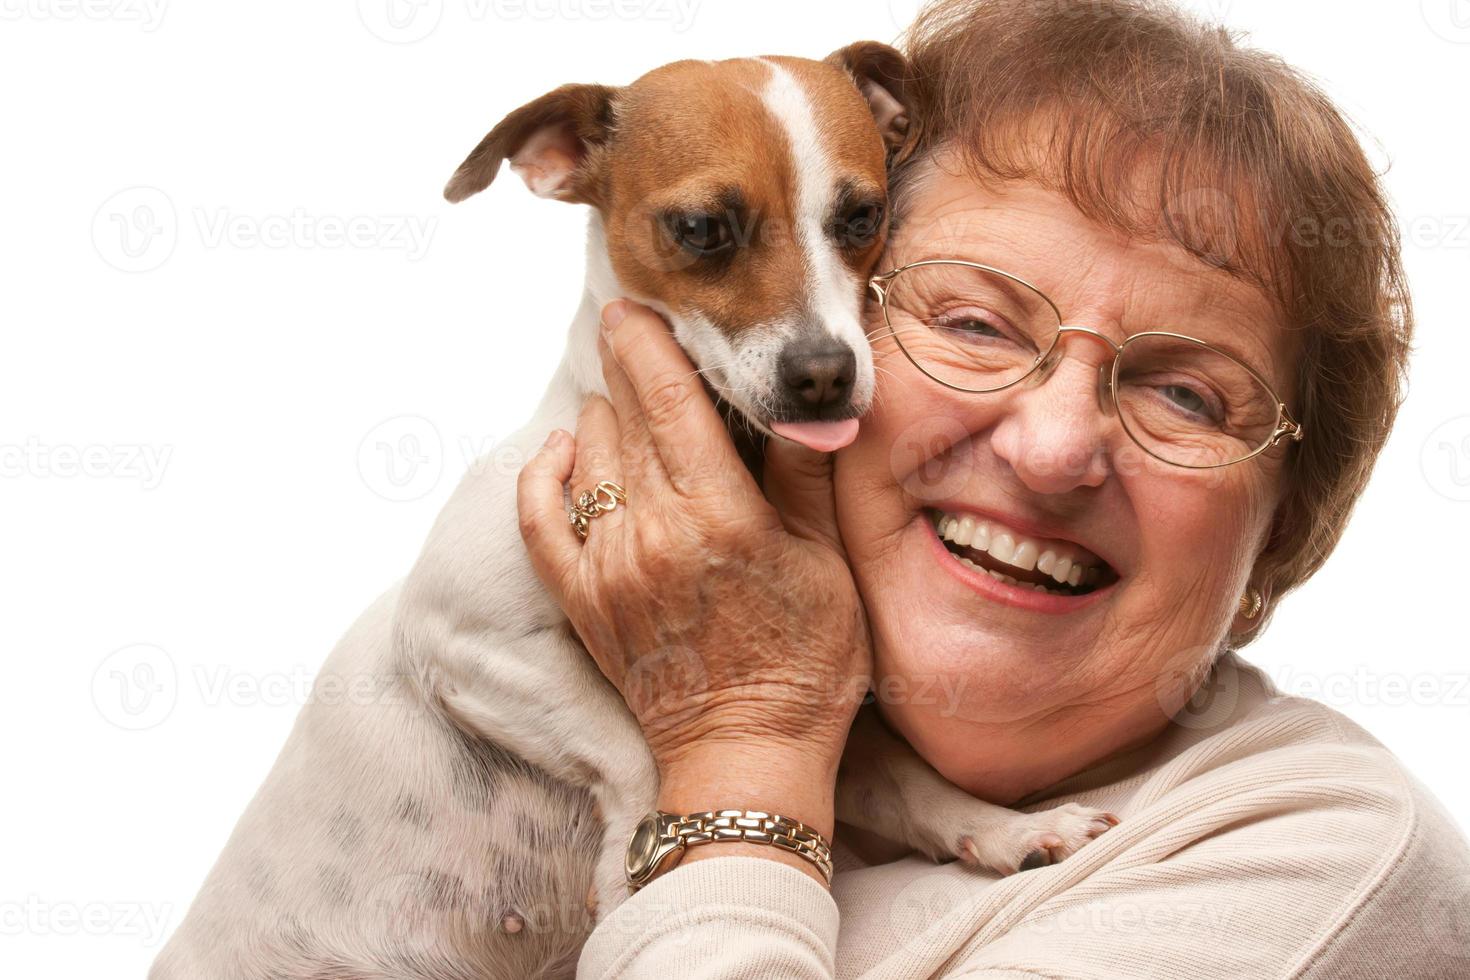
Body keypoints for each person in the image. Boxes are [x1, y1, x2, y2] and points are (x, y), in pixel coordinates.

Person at [517, 0, 1470, 974]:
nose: (1054, 449)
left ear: (1286, 528)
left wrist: (750, 731)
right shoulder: (571, 682)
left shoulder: (1320, 858)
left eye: (1186, 393)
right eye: (974, 323)